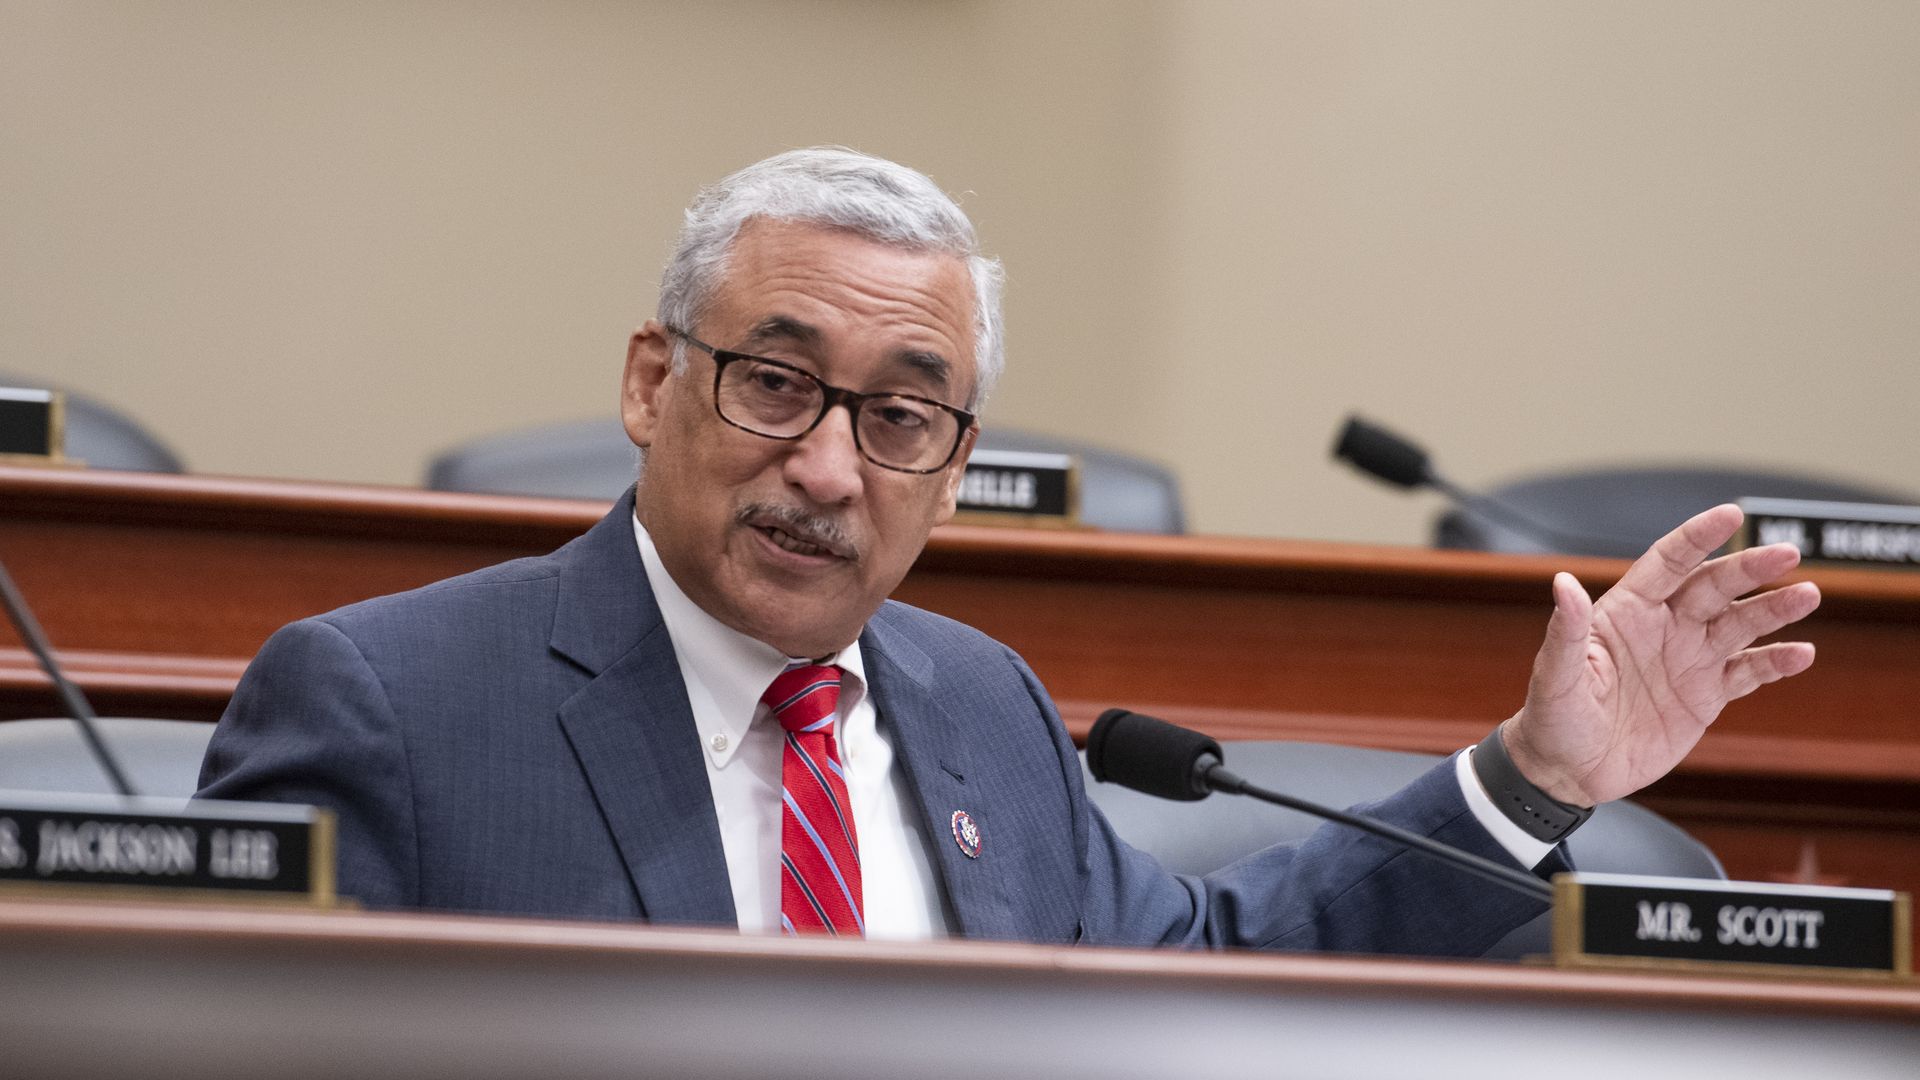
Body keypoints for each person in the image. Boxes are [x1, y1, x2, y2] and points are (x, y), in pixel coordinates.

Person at [198, 148, 1820, 952]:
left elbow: (1220, 979)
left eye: (905, 418)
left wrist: (1537, 778)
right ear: (649, 382)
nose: (830, 467)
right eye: (775, 382)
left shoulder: (978, 708)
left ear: (956, 469)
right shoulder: (390, 705)